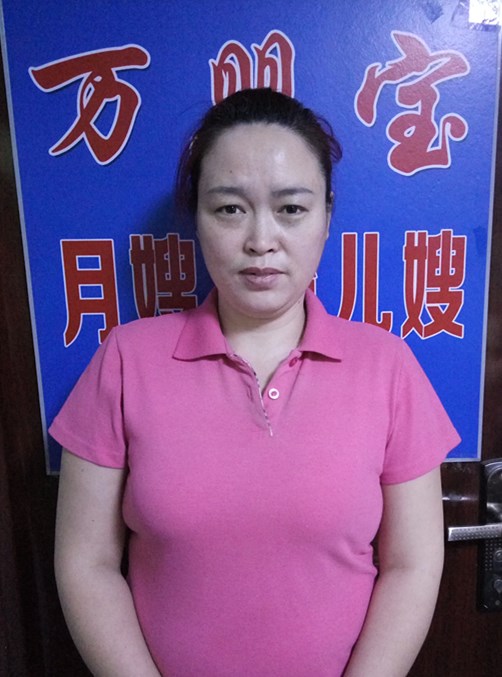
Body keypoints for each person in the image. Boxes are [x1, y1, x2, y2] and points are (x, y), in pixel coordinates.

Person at [50, 87, 460, 677]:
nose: (261, 240)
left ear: (326, 218)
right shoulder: (125, 360)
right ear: (197, 218)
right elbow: (85, 562)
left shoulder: (387, 366)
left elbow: (412, 564)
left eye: (291, 209)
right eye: (229, 209)